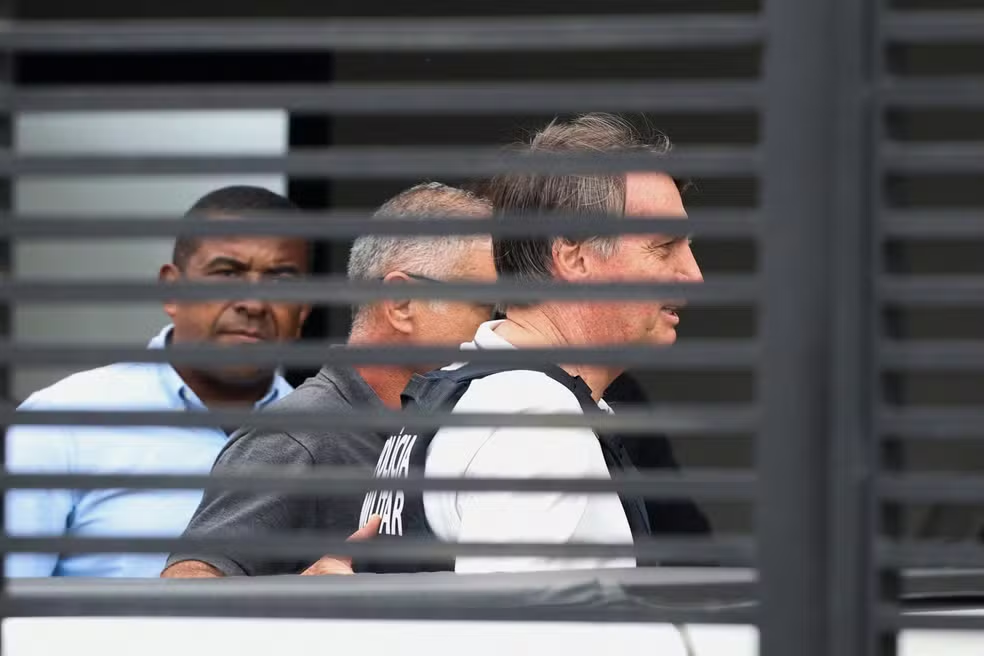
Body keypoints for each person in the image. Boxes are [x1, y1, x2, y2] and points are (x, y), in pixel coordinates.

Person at [354, 113, 704, 574]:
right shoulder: (534, 417)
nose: (692, 275)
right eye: (664, 247)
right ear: (574, 256)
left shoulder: (469, 393)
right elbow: (507, 617)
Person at [161, 182, 497, 578]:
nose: (500, 328)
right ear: (402, 303)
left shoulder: (455, 431)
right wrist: (298, 598)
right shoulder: (296, 439)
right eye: (486, 306)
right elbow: (185, 584)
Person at [5, 185, 313, 578]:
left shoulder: (322, 438)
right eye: (227, 273)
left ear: (303, 310)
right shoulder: (63, 421)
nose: (253, 304)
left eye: (280, 282)